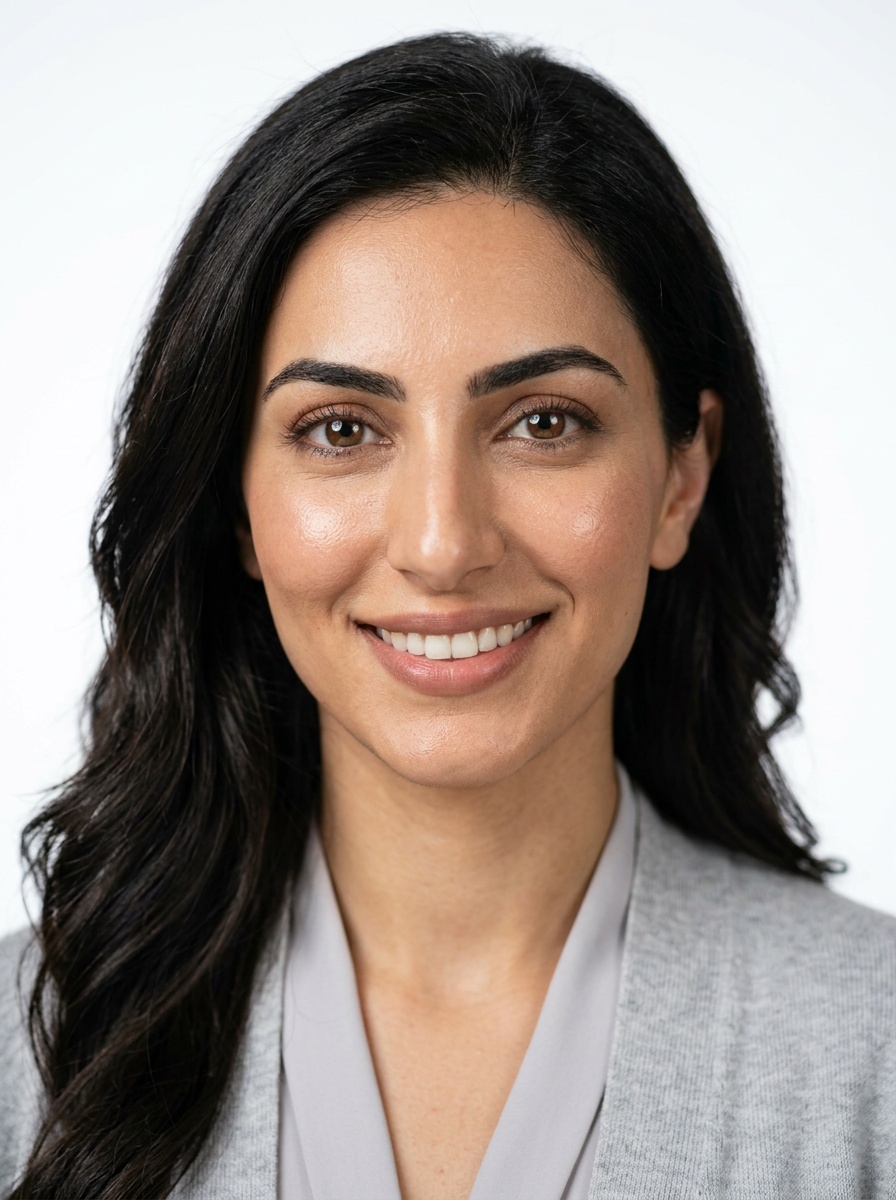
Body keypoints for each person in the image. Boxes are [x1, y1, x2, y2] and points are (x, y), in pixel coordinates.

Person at [1, 30, 893, 1200]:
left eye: (542, 422)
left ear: (682, 476)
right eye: (340, 430)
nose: (440, 544)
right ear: (235, 506)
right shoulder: (30, 1062)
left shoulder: (868, 1058)